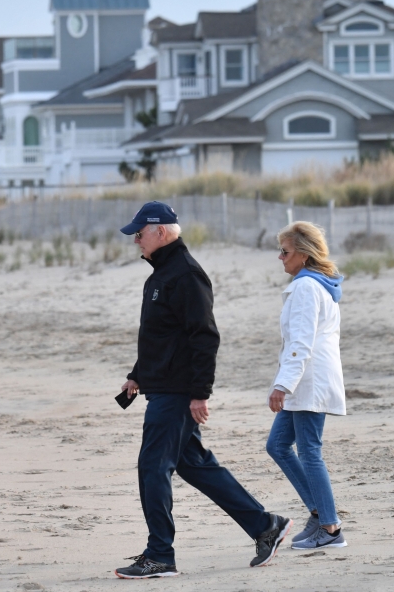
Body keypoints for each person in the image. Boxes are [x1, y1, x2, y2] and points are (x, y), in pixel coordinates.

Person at [113, 201, 292, 579]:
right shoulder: (162, 274)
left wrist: (200, 393)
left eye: (139, 234)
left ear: (160, 232)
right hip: (162, 386)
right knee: (196, 466)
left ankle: (160, 554)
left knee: (152, 467)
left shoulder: (187, 275)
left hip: (177, 393)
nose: (136, 241)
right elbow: (161, 336)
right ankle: (266, 527)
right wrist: (137, 374)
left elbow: (205, 337)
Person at [266, 221, 347, 551]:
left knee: (309, 451)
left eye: (284, 251)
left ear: (302, 254)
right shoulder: (315, 285)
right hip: (308, 381)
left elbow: (300, 343)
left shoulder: (307, 288)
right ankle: (320, 513)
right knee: (277, 445)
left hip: (308, 382)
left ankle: (330, 528)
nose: (280, 258)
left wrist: (282, 386)